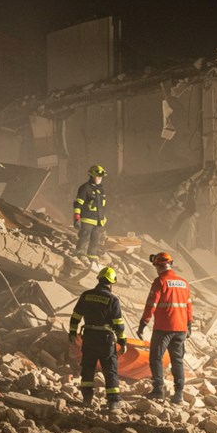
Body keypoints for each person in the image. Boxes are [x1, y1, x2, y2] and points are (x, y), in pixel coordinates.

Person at [69, 266, 127, 413]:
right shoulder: (113, 300)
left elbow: (75, 316)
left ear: (99, 279)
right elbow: (118, 324)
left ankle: (87, 399)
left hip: (88, 337)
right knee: (110, 370)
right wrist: (122, 341)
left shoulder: (86, 295)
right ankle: (114, 403)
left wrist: (72, 333)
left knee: (88, 368)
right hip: (105, 339)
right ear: (112, 283)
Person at [137, 252, 192, 404]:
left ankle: (158, 391)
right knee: (177, 360)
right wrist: (189, 323)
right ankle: (178, 394)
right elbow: (188, 305)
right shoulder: (184, 283)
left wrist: (143, 323)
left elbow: (151, 305)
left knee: (156, 358)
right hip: (181, 328)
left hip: (164, 328)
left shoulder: (160, 281)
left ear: (158, 265)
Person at [73, 165, 107, 263]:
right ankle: (80, 255)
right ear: (92, 176)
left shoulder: (101, 190)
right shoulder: (85, 188)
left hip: (98, 221)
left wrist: (103, 218)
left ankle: (92, 257)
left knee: (95, 239)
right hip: (87, 219)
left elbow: (101, 206)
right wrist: (77, 217)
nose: (99, 179)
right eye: (97, 176)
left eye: (101, 177)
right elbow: (78, 203)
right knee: (84, 237)